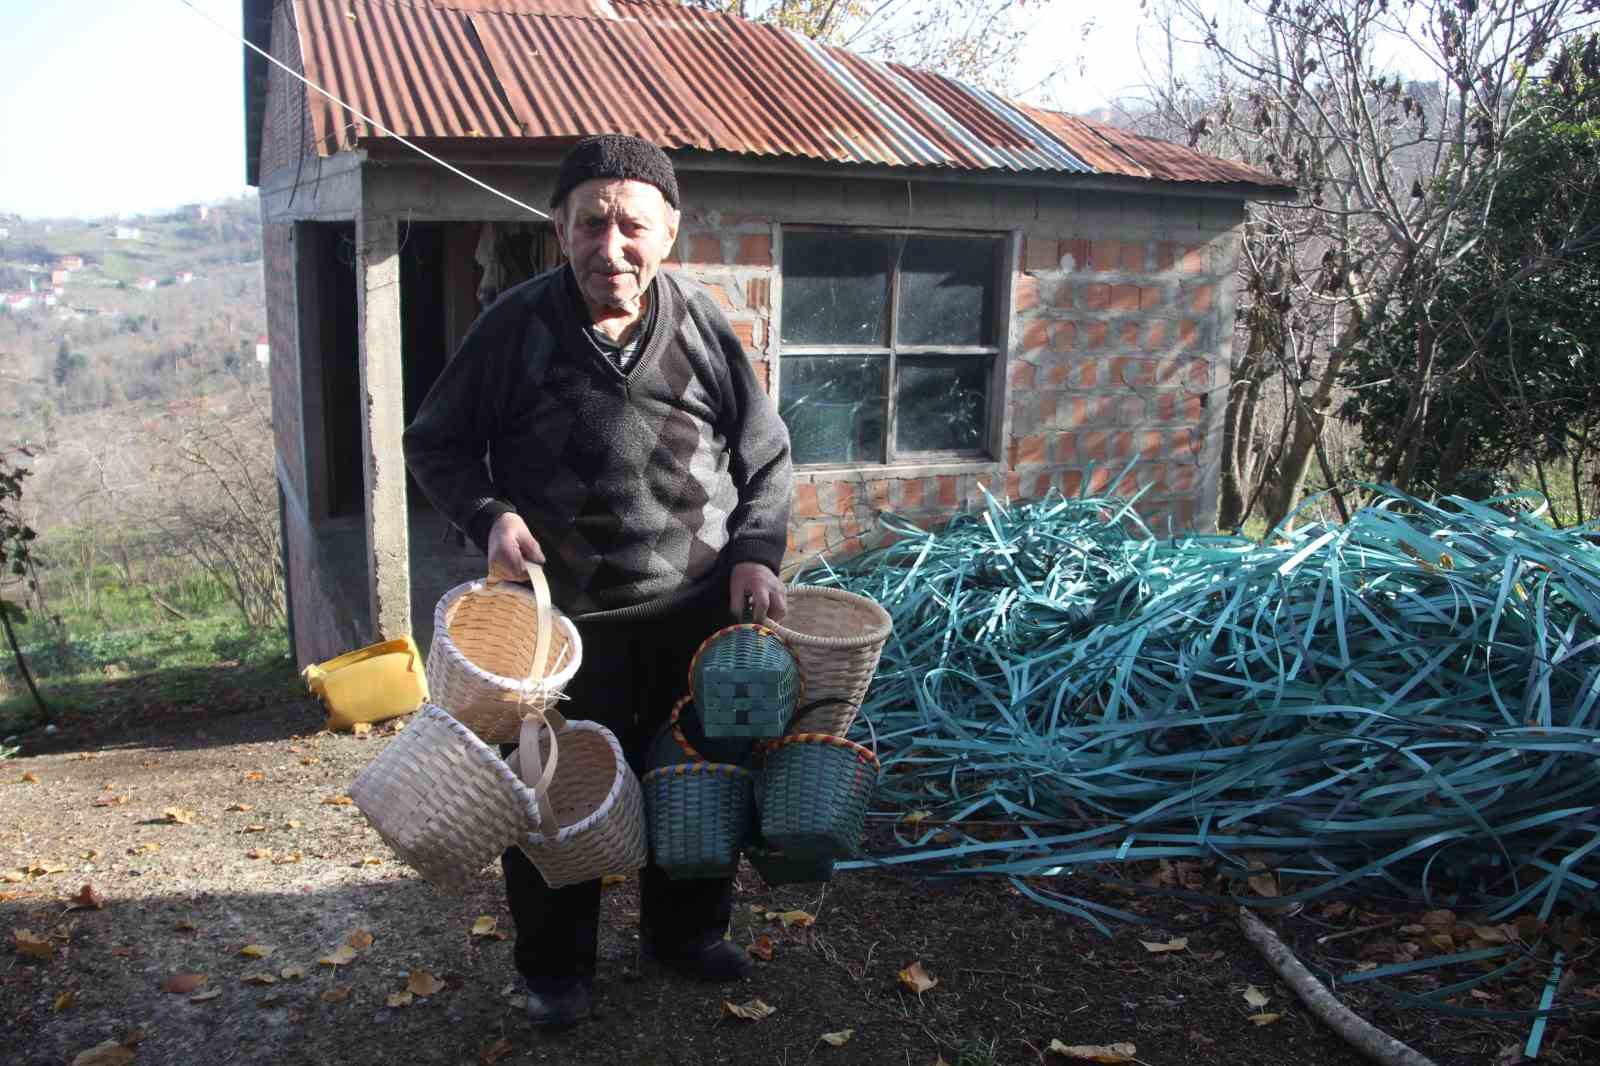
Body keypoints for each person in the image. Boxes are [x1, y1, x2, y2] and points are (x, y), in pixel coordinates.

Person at [402, 134, 794, 1026]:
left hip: (693, 616)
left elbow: (766, 455)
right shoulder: (513, 327)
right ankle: (553, 970)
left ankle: (685, 934)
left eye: (631, 227)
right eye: (590, 224)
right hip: (560, 630)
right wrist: (490, 515)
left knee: (696, 782)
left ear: (670, 232)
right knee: (550, 798)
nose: (609, 247)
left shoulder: (699, 320)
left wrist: (755, 553)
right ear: (557, 228)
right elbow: (436, 443)